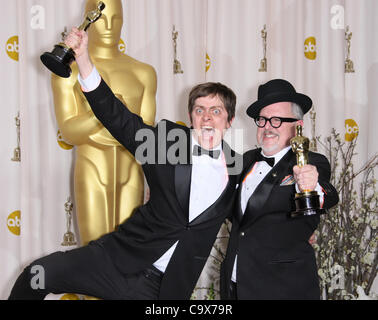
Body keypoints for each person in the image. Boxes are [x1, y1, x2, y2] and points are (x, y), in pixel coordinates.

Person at [8, 27, 242, 300]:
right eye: (199, 110)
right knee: (37, 275)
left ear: (230, 121)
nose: (206, 118)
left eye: (216, 111)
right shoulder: (166, 143)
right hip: (115, 260)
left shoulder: (238, 168)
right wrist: (83, 59)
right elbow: (117, 117)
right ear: (191, 117)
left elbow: (260, 209)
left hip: (164, 288)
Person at [220, 79, 339, 300]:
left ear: (298, 125)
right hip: (234, 286)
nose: (267, 127)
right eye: (263, 120)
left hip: (283, 289)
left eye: (276, 120)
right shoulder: (244, 160)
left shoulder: (312, 161)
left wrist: (313, 186)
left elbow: (327, 194)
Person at [52, 0, 157, 245]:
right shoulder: (68, 71)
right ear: (89, 20)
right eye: (102, 19)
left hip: (131, 170)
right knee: (93, 253)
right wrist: (109, 114)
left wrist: (98, 122)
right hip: (91, 168)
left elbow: (146, 132)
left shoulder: (143, 72)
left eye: (116, 19)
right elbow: (69, 131)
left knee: (128, 253)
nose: (109, 26)